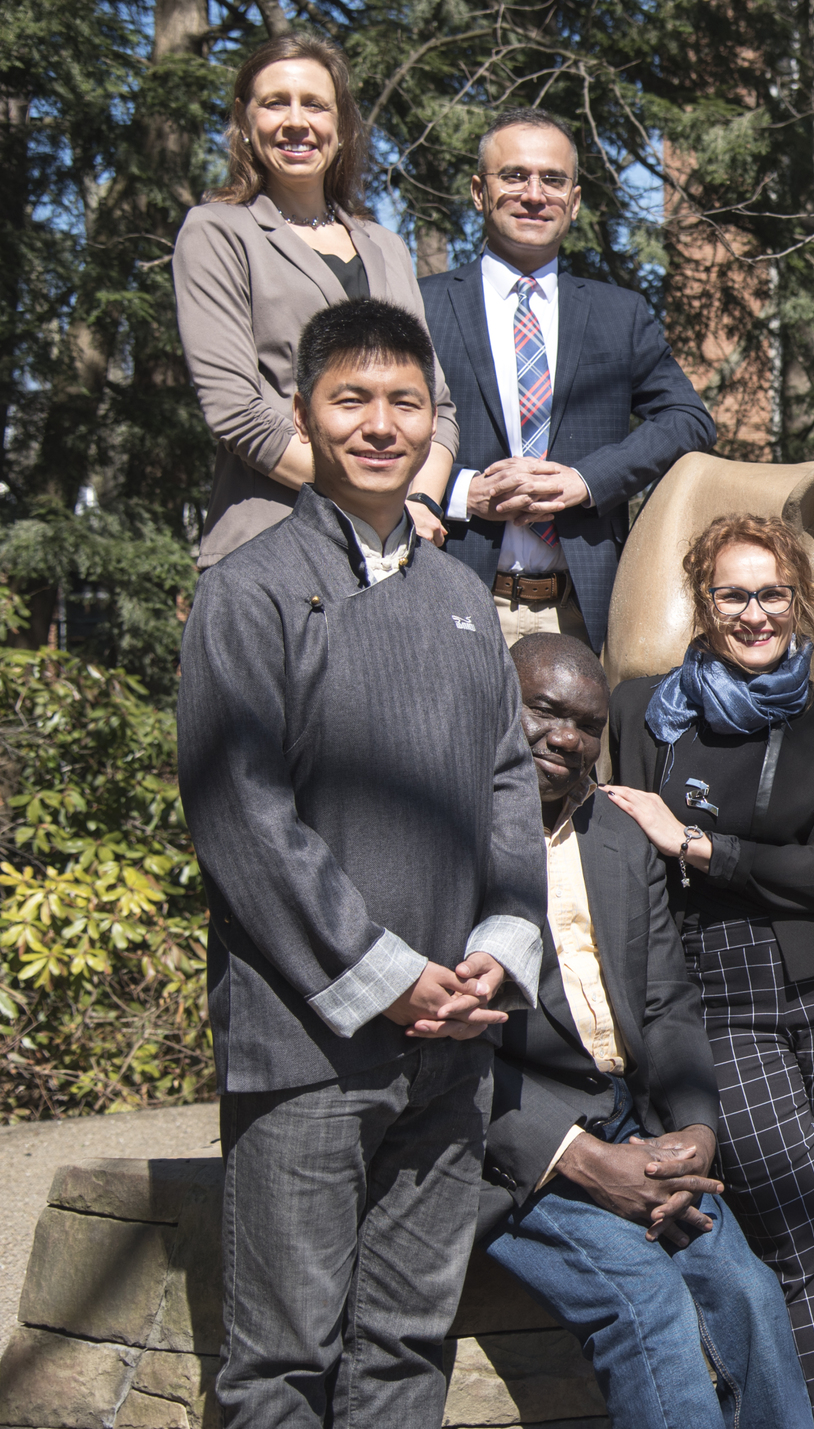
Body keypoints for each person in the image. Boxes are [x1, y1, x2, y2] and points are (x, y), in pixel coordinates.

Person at [177, 299, 545, 1427]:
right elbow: (240, 810)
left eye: (404, 403)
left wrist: (496, 949)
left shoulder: (461, 603)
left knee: (404, 1347)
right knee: (282, 1360)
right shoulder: (250, 589)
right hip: (308, 1042)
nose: (379, 426)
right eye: (351, 400)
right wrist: (386, 972)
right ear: (304, 415)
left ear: (436, 422)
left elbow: (506, 785)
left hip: (454, 1048)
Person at [602, 514, 814, 1428]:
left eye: (772, 593)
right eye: (734, 594)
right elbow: (625, 865)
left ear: (799, 599)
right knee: (801, 1226)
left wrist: (693, 841)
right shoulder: (642, 712)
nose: (755, 613)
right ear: (702, 601)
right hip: (719, 998)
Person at [477, 633, 809, 1428]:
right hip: (516, 1150)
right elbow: (444, 1048)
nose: (567, 736)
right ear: (496, 702)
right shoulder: (445, 830)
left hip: (636, 1124)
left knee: (751, 1294)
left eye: (587, 723)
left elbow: (667, 1003)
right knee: (647, 1306)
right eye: (546, 710)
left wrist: (695, 1128)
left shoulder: (617, 834)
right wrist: (584, 1160)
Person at [420, 108, 716, 652]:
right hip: (451, 603)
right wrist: (465, 492)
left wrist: (587, 480)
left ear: (574, 202)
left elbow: (688, 420)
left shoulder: (618, 313)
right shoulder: (420, 305)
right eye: (513, 176)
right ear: (478, 192)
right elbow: (381, 437)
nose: (534, 194)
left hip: (584, 613)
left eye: (552, 180)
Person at [174, 33, 458, 569]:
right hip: (272, 547)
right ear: (244, 118)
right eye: (275, 102)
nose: (296, 121)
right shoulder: (218, 232)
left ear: (342, 125)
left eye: (315, 104)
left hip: (396, 553)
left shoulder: (387, 246)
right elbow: (237, 412)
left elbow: (437, 406)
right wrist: (373, 503)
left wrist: (417, 501)